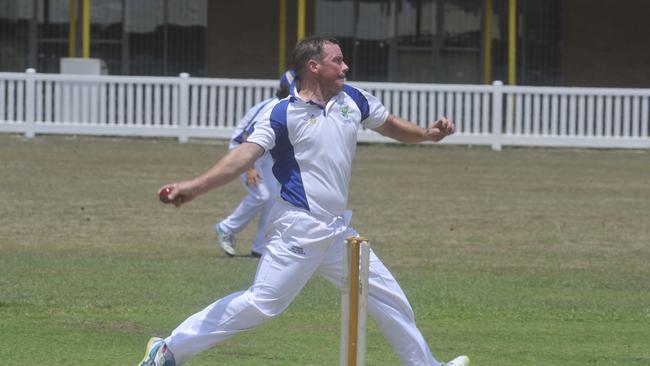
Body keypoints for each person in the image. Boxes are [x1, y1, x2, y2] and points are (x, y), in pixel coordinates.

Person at [138, 37, 469, 366]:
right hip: (298, 228)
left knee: (388, 298)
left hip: (339, 231)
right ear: (314, 66)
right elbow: (243, 156)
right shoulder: (280, 113)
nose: (346, 67)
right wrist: (194, 187)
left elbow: (392, 127)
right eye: (337, 60)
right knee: (262, 304)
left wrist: (427, 134)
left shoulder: (353, 99)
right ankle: (169, 350)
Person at [214, 70, 294, 257]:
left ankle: (260, 247)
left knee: (273, 199)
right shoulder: (273, 106)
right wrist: (248, 167)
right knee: (261, 196)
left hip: (263, 156)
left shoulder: (290, 106)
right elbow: (246, 136)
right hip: (242, 151)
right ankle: (226, 228)